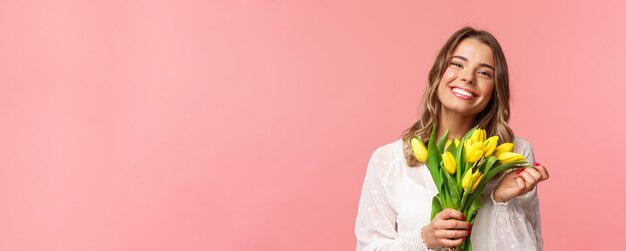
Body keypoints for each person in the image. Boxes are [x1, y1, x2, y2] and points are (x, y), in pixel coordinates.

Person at [354, 27, 550, 251]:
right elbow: (368, 247)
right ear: (439, 73)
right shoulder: (387, 160)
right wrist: (424, 240)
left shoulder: (513, 154)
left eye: (484, 72)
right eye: (457, 64)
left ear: (495, 90)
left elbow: (531, 246)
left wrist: (500, 201)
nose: (467, 77)